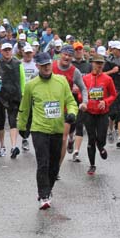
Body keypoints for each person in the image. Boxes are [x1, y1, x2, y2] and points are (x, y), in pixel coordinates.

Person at [17, 52, 78, 209]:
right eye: (43, 65)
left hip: (57, 128)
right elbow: (24, 108)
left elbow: (71, 101)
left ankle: (48, 190)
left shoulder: (61, 81)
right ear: (37, 66)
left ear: (52, 64)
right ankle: (43, 195)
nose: (46, 68)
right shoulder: (31, 85)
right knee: (42, 163)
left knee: (54, 165)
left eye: (48, 65)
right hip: (39, 129)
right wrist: (22, 128)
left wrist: (72, 113)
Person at [0, 42, 26, 159]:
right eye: (5, 50)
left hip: (14, 96)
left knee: (13, 121)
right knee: (1, 121)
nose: (8, 52)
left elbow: (22, 80)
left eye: (9, 50)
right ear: (1, 52)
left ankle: (13, 147)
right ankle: (2, 146)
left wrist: (23, 94)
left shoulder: (18, 64)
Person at [82, 54, 117, 175]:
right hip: (89, 113)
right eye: (97, 63)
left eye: (101, 63)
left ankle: (101, 146)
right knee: (91, 139)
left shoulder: (107, 79)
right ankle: (92, 165)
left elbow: (113, 94)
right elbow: (81, 94)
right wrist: (85, 102)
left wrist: (105, 102)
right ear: (92, 63)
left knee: (101, 138)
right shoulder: (86, 78)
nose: (99, 65)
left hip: (102, 113)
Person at [53, 45, 87, 168]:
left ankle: (57, 167)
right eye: (65, 54)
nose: (67, 57)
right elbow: (34, 79)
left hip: (66, 108)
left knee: (63, 138)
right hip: (50, 108)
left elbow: (83, 88)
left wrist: (85, 102)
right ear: (60, 54)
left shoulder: (74, 71)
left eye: (69, 55)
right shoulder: (51, 67)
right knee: (51, 138)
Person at [103, 41, 120, 149]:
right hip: (110, 90)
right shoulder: (107, 61)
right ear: (112, 49)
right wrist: (112, 71)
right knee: (112, 115)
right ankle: (110, 130)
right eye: (118, 49)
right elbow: (101, 74)